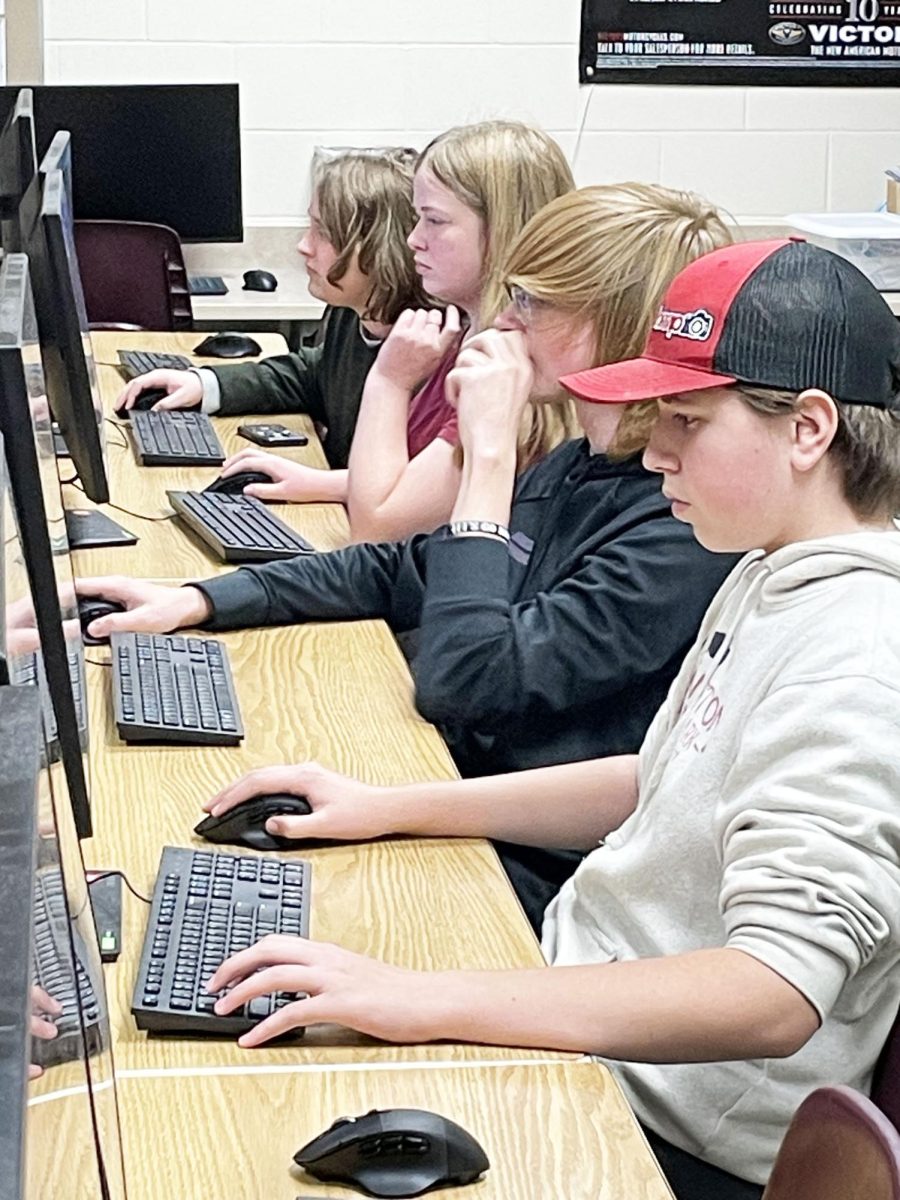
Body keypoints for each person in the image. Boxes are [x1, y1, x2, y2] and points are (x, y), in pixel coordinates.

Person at [200, 240, 900, 1200]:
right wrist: (388, 805)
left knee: (221, 1138)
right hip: (573, 990)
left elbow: (771, 990)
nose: (654, 451)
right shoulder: (769, 572)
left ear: (808, 429)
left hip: (654, 1123)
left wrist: (428, 997)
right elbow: (655, 779)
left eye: (688, 422)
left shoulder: (858, 659)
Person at [79, 183, 736, 926]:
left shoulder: (678, 524)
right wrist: (198, 599)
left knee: (174, 882)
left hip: (531, 875)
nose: (505, 320)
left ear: (615, 326)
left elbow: (465, 683)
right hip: (452, 795)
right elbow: (403, 566)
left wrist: (489, 455)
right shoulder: (586, 459)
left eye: (532, 303)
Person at [115, 146, 429, 499]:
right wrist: (205, 384)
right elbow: (314, 374)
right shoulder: (353, 311)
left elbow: (421, 485)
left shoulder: (428, 348)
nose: (303, 246)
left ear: (377, 247)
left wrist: (316, 483)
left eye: (322, 232)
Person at [344, 119, 576, 541]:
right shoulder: (465, 333)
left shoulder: (507, 367)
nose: (414, 239)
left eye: (434, 220)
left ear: (503, 231)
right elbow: (413, 479)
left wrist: (388, 380)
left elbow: (379, 525)